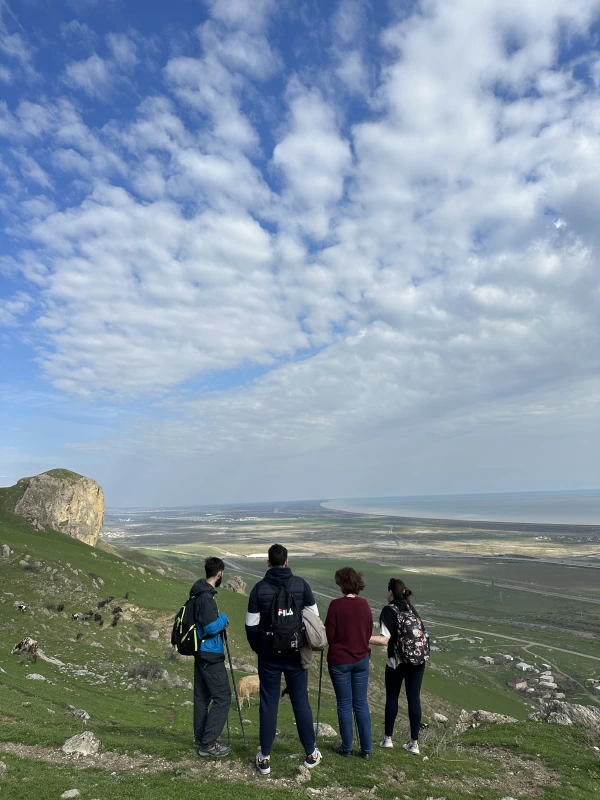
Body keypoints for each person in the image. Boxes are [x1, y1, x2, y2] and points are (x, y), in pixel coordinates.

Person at [245, 543, 322, 776]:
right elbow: (314, 618)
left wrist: (260, 648)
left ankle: (265, 758)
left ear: (268, 562)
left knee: (269, 703)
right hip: (296, 653)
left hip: (269, 655)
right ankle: (310, 753)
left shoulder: (259, 589)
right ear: (287, 562)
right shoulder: (301, 585)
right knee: (301, 702)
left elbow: (251, 626)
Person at [369, 578, 426, 755]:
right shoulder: (411, 609)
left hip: (397, 662)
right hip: (418, 661)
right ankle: (414, 743)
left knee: (392, 697)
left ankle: (388, 739)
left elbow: (384, 640)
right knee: (414, 699)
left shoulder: (389, 610)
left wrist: (361, 638)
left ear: (390, 593)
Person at [325, 566, 373, 759]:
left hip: (339, 661)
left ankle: (347, 747)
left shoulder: (336, 605)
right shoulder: (365, 605)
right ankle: (367, 749)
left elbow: (329, 636)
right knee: (361, 703)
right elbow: (368, 631)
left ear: (342, 584)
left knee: (344, 704)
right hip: (361, 658)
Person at [191, 556, 231, 758]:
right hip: (210, 654)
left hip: (201, 651)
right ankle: (208, 743)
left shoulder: (199, 594)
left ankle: (201, 738)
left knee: (202, 697)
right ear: (219, 573)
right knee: (223, 697)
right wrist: (224, 618)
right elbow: (211, 627)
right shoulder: (206, 597)